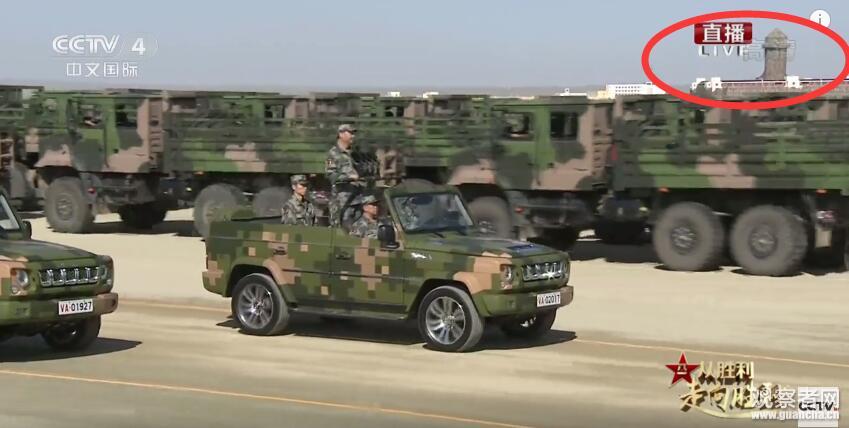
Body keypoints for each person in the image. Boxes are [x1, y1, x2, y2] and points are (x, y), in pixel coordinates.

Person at [325, 124, 361, 226]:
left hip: (356, 199)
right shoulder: (333, 154)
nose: (353, 136)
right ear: (341, 134)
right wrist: (349, 177)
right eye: (350, 133)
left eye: (354, 133)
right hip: (342, 201)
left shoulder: (353, 153)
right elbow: (331, 175)